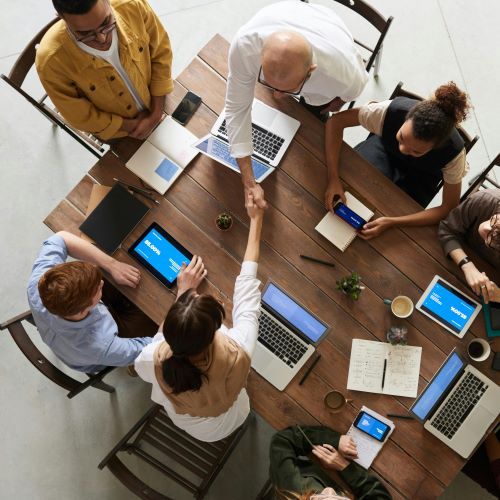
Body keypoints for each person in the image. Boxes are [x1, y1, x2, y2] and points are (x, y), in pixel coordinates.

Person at [135, 196, 264, 442]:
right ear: (214, 331)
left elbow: (157, 345)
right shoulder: (238, 350)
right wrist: (257, 220)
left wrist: (182, 294)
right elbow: (248, 291)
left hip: (196, 428)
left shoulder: (152, 358)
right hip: (230, 417)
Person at [225, 0, 368, 209]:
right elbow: (236, 109)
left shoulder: (343, 76)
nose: (277, 95)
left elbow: (349, 94)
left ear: (311, 71)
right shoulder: (244, 46)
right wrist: (249, 181)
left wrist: (336, 102)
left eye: (287, 90)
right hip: (286, 13)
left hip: (329, 31)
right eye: (268, 83)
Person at [324, 82, 472, 239]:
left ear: (435, 147)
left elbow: (448, 207)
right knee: (352, 185)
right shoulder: (389, 111)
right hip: (384, 151)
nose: (403, 149)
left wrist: (392, 222)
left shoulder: (454, 154)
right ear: (407, 118)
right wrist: (333, 178)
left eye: (416, 150)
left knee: (394, 214)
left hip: (422, 176)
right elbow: (335, 122)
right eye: (401, 137)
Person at [36, 0, 173, 141]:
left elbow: (161, 51)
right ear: (60, 17)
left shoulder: (132, 5)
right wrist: (132, 126)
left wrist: (156, 113)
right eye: (86, 34)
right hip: (122, 134)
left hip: (160, 100)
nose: (102, 38)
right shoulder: (50, 62)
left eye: (106, 23)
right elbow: (79, 116)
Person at [27, 231, 157, 373]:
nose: (101, 282)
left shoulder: (40, 284)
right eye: (98, 288)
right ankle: (132, 367)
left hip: (66, 337)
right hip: (98, 355)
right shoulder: (100, 346)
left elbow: (61, 237)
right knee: (161, 319)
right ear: (84, 310)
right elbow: (153, 350)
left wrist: (112, 265)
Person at [269, 425, 392, 499]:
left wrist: (333, 440)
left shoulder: (291, 488)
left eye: (319, 498)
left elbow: (282, 442)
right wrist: (344, 467)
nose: (329, 490)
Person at [438, 189, 500, 303]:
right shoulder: (485, 200)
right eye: (495, 221)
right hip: (450, 262)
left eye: (495, 236)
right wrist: (467, 265)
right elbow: (447, 230)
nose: (486, 228)